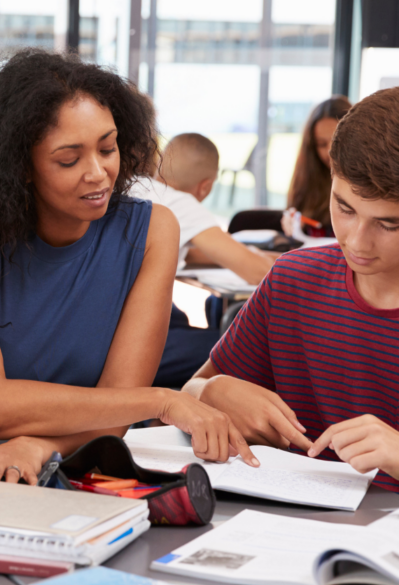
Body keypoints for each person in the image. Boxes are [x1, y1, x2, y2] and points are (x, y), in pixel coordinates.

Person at [0, 50, 254, 482]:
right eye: (69, 160)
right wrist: (160, 401)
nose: (99, 173)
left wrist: (41, 447)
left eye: (107, 148)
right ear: (20, 167)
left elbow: (117, 407)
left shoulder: (151, 231)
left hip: (76, 462)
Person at [182, 87, 399, 492]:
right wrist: (213, 391)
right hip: (282, 526)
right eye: (344, 208)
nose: (356, 241)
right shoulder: (294, 280)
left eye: (389, 224)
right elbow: (188, 393)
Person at [130, 133, 275, 387]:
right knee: (235, 351)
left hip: (100, 328)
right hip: (124, 341)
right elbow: (257, 272)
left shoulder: (139, 186)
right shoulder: (178, 203)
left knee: (181, 318)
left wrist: (248, 254)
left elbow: (192, 251)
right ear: (206, 186)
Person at [282, 95, 352, 238]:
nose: (329, 152)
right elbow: (294, 212)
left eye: (336, 141)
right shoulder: (308, 180)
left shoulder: (370, 184)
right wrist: (291, 221)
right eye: (321, 144)